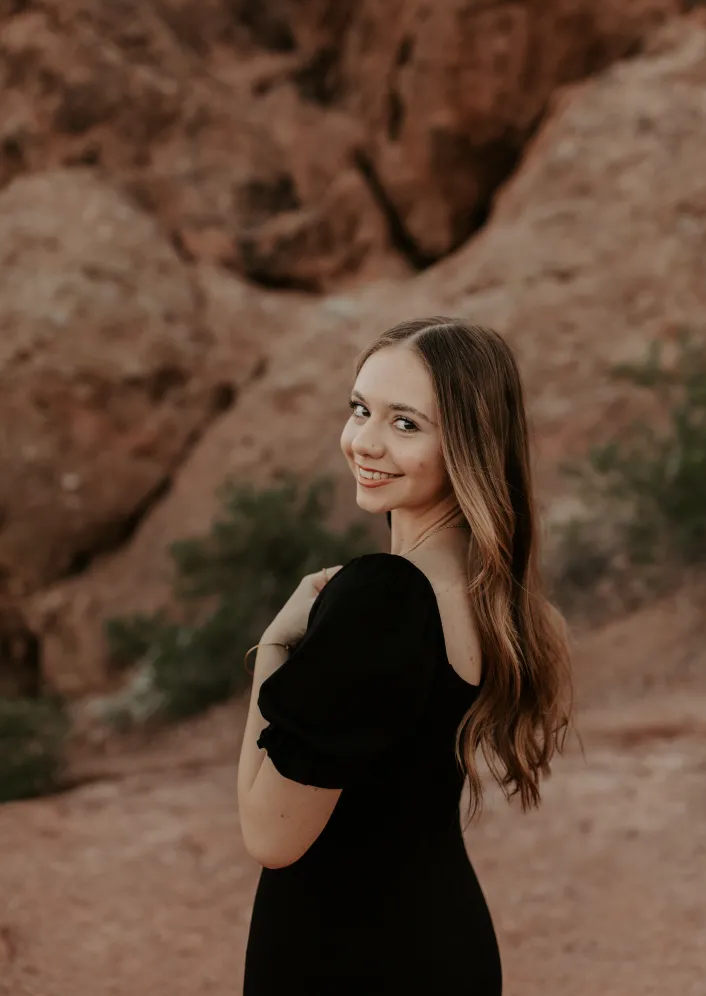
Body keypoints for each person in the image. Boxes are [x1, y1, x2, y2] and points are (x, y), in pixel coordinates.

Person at [237, 315, 573, 995]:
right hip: (443, 943)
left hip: (354, 959)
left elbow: (270, 836)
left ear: (468, 447)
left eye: (406, 424)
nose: (364, 441)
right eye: (360, 409)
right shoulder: (483, 590)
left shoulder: (385, 598)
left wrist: (274, 648)